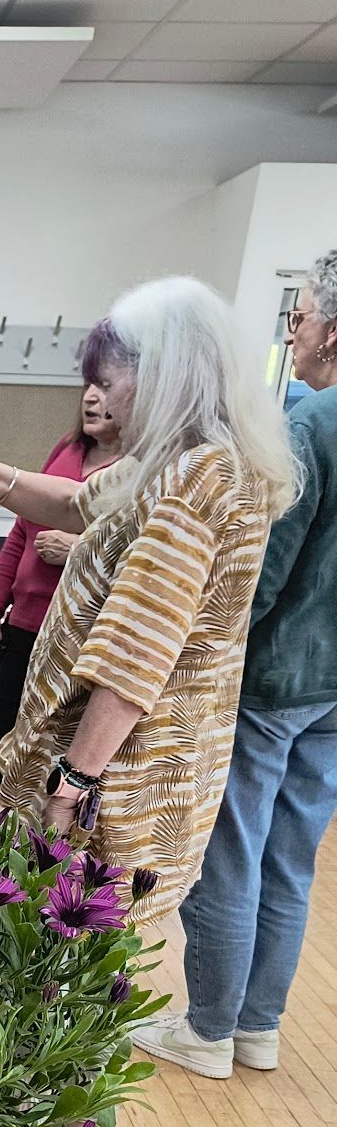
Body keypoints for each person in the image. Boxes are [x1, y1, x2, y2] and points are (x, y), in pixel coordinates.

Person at [0, 275, 298, 931]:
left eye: (114, 379)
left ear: (162, 374)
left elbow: (137, 649)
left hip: (113, 774)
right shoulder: (181, 458)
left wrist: (71, 788)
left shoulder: (197, 475)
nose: (107, 398)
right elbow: (71, 502)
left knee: (56, 947)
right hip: (127, 762)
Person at [135, 252, 337, 1079]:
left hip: (273, 680)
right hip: (333, 691)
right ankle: (258, 1027)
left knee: (231, 847)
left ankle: (209, 1029)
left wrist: (198, 659)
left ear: (334, 331)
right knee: (293, 855)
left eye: (301, 319)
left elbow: (262, 567)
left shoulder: (312, 425)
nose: (293, 335)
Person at [0, 383, 122, 800]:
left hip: (78, 640)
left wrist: (77, 549)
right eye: (88, 385)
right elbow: (20, 532)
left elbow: (138, 550)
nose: (91, 397)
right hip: (22, 628)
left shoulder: (141, 467)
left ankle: (27, 852)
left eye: (106, 386)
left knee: (46, 755)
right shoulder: (66, 451)